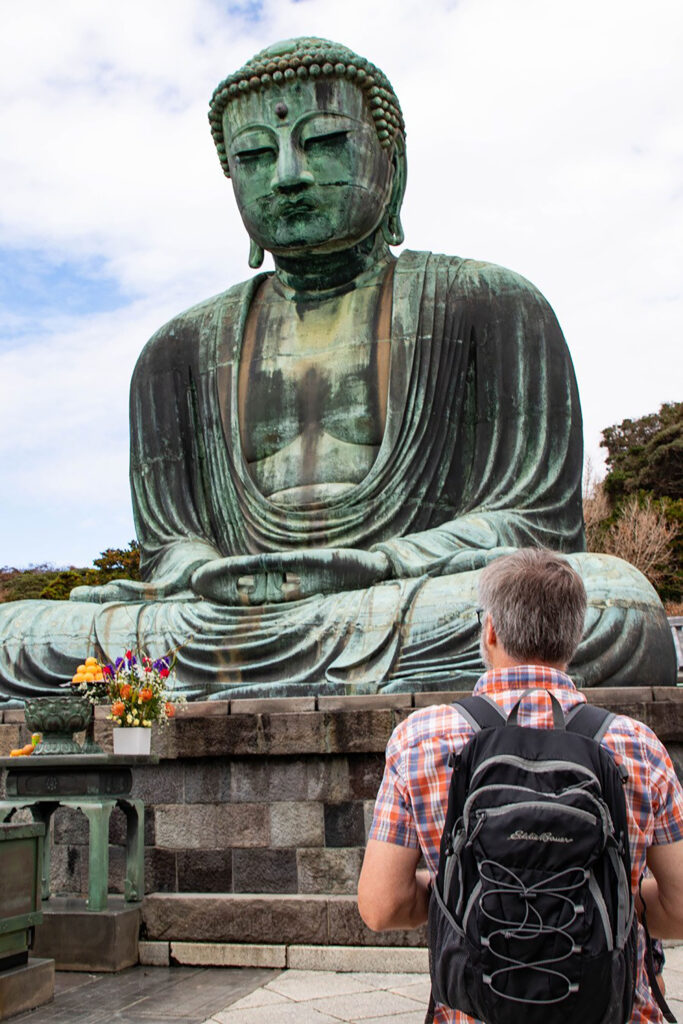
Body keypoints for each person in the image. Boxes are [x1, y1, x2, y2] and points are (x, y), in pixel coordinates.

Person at [0, 38, 676, 701]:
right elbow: (170, 547)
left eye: (322, 143)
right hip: (223, 617)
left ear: (393, 165)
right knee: (19, 637)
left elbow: (534, 526)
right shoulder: (175, 350)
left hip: (410, 597)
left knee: (615, 608)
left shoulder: (491, 303)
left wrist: (383, 562)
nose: (287, 176)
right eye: (255, 156)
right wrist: (207, 574)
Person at [358, 547, 683, 1023]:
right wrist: (612, 898)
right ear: (576, 637)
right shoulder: (637, 745)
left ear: (488, 630)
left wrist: (464, 891)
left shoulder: (420, 740)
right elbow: (678, 906)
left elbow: (381, 905)